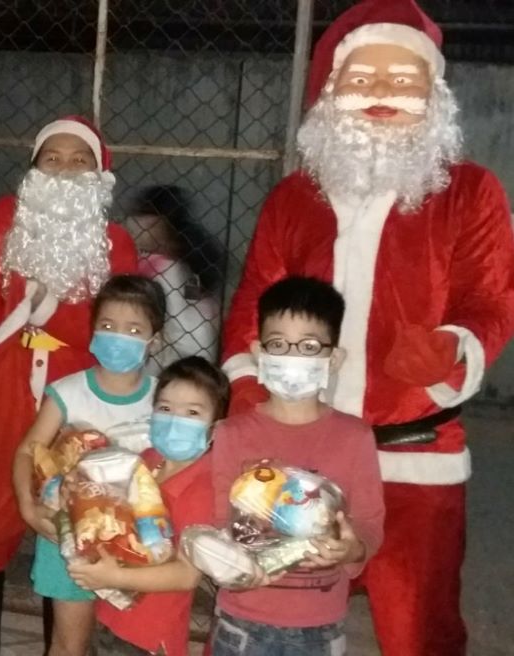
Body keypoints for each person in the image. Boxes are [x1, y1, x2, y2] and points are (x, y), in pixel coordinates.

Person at [220, 2, 514, 653]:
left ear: (435, 97)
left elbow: (491, 302)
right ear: (329, 94)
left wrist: (449, 351)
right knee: (276, 610)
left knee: (418, 626)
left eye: (402, 77)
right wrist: (248, 393)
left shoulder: (471, 193)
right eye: (363, 76)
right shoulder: (296, 199)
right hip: (299, 450)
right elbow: (252, 306)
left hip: (414, 458)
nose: (382, 91)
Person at [0, 116, 139, 655]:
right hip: (1, 381)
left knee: (70, 519)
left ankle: (63, 642)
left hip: (76, 392)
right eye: (52, 159)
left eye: (79, 159)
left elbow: (121, 320)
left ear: (99, 173)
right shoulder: (5, 218)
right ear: (34, 169)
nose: (65, 170)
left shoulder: (115, 243)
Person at [212, 276, 385, 654]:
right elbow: (216, 523)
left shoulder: (355, 438)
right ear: (258, 352)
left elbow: (370, 526)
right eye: (278, 345)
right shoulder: (230, 434)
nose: (292, 357)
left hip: (319, 630)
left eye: (309, 346)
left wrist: (352, 550)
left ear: (333, 358)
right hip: (241, 622)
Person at [11, 274, 163, 656]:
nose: (118, 336)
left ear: (153, 341)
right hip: (68, 541)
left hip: (136, 543)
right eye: (108, 326)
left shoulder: (164, 400)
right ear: (93, 330)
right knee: (68, 645)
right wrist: (29, 510)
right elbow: (28, 451)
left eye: (133, 329)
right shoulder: (67, 392)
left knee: (131, 642)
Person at [65, 355, 227, 656]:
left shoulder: (203, 488)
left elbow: (186, 574)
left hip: (148, 636)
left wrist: (115, 578)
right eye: (165, 409)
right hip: (111, 614)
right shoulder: (148, 460)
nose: (175, 420)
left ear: (215, 429)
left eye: (192, 412)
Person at [125, 186, 225, 369]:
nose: (132, 222)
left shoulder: (166, 269)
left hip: (184, 364)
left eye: (142, 215)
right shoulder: (178, 262)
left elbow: (186, 337)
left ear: (159, 222)